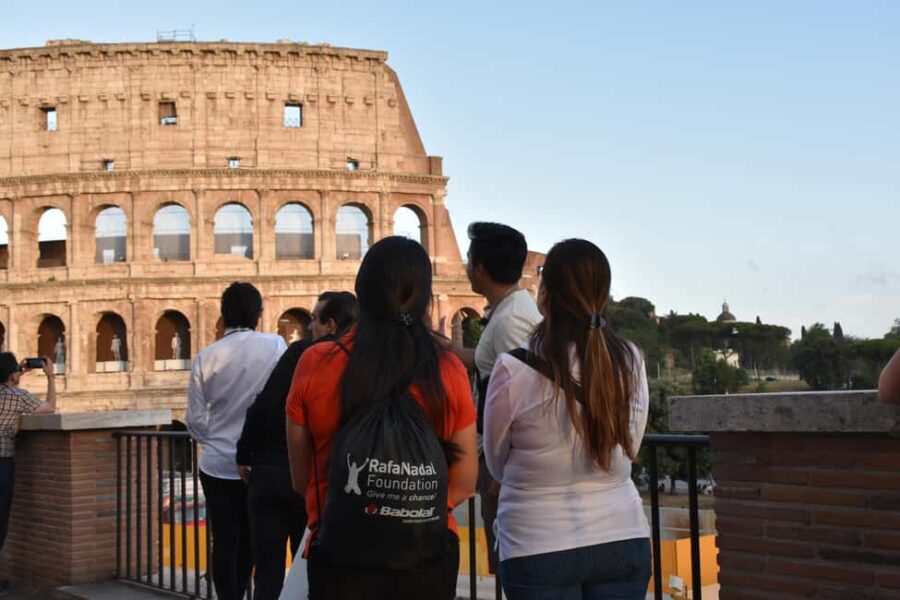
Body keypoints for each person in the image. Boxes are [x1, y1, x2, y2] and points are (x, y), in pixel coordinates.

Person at [286, 236, 478, 600]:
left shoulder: (316, 362)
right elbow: (465, 483)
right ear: (423, 296)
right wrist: (404, 506)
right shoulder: (448, 370)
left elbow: (300, 477)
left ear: (361, 291)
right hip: (425, 558)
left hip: (341, 557)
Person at [484, 239, 651, 599]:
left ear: (545, 295)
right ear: (603, 296)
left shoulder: (512, 368)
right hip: (622, 534)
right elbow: (631, 443)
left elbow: (497, 460)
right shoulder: (631, 360)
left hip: (536, 541)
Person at [236, 291, 359, 600]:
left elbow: (263, 405)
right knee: (311, 572)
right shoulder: (359, 361)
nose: (310, 327)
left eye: (314, 320)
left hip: (271, 471)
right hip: (315, 480)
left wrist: (244, 454)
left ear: (331, 324)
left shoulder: (303, 354)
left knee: (268, 572)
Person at [444, 221, 541, 574]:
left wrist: (503, 470)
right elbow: (484, 362)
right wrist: (440, 344)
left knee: (512, 565)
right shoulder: (508, 311)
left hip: (506, 466)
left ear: (480, 270)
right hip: (499, 459)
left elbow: (528, 397)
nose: (466, 268)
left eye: (469, 261)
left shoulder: (513, 319)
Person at [185, 282, 287, 600]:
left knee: (224, 540)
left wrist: (215, 438)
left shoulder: (205, 356)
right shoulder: (275, 345)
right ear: (259, 313)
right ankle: (244, 590)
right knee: (252, 539)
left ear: (223, 314)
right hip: (257, 461)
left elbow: (194, 419)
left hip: (216, 464)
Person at [0, 353, 56, 595]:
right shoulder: (16, 396)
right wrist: (51, 376)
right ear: (13, 374)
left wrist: (15, 374)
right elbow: (50, 408)